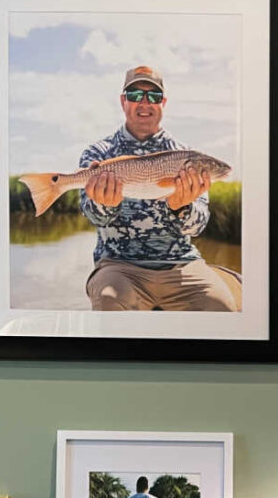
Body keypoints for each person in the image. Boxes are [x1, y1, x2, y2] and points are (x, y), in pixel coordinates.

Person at [81, 65, 241, 313]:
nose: (145, 102)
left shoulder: (186, 155)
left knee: (222, 307)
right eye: (135, 95)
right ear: (123, 102)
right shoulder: (99, 153)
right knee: (110, 300)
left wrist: (182, 208)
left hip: (181, 264)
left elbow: (198, 227)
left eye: (153, 96)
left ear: (163, 102)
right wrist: (105, 203)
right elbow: (92, 216)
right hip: (119, 266)